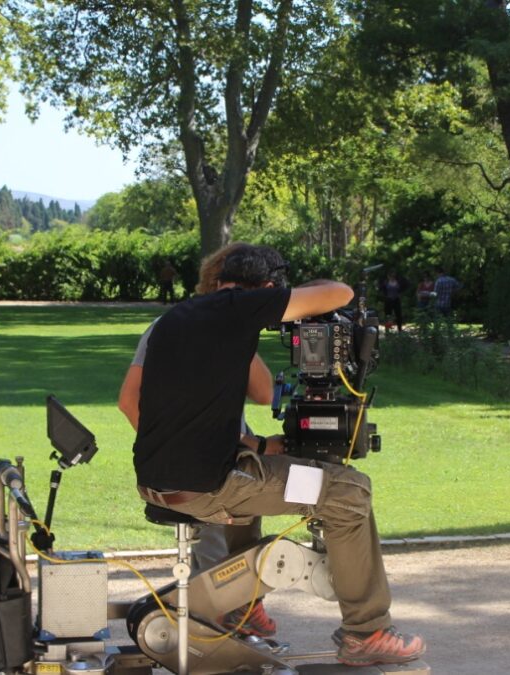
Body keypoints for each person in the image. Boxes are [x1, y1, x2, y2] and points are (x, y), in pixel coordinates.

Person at [132, 243, 426, 667]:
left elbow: (194, 418)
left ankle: (240, 603)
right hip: (210, 487)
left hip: (161, 481)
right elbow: (342, 293)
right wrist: (293, 294)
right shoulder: (239, 309)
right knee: (350, 491)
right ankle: (367, 631)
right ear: (266, 289)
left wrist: (263, 447)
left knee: (270, 474)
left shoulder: (180, 317)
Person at [119, 243, 278, 637]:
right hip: (200, 469)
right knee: (216, 554)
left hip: (226, 456)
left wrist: (240, 330)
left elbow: (263, 393)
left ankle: (245, 605)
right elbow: (128, 401)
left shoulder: (229, 330)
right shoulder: (167, 327)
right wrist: (180, 449)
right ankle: (215, 628)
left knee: (248, 510)